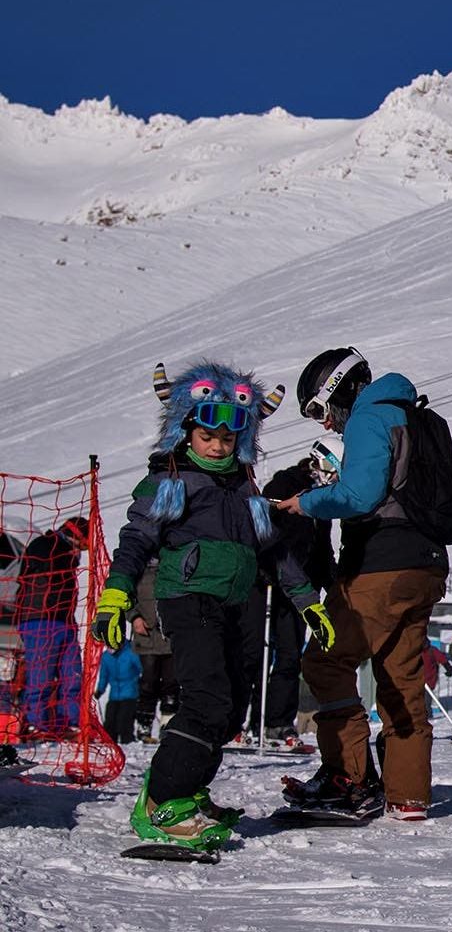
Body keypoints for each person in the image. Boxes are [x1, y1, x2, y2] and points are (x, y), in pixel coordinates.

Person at [92, 360, 330, 853]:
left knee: (234, 705)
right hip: (188, 598)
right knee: (206, 699)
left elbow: (275, 552)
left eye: (227, 438)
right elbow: (136, 541)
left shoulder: (244, 489)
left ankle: (191, 790)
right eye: (207, 436)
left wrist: (308, 603)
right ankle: (161, 801)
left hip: (233, 603)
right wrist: (116, 593)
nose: (217, 446)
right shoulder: (173, 481)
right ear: (188, 432)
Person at [274, 347, 450, 821]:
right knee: (401, 676)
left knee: (325, 660)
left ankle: (347, 779)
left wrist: (306, 503)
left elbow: (360, 494)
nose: (325, 423)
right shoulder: (420, 419)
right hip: (426, 565)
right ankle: (408, 795)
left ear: (339, 389)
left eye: (319, 409)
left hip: (380, 566)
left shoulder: (369, 419)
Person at [251, 454, 332, 748]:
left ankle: (278, 721)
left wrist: (331, 584)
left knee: (288, 656)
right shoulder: (286, 483)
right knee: (257, 653)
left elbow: (323, 548)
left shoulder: (323, 503)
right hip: (268, 581)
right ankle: (250, 720)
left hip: (301, 587)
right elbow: (261, 527)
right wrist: (264, 566)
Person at [17, 517, 89, 734]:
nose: (81, 551)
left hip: (64, 619)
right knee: (41, 676)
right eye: (82, 545)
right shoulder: (43, 544)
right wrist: (70, 555)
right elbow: (43, 563)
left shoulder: (67, 555)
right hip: (39, 618)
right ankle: (34, 724)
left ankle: (73, 723)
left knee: (72, 674)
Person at [130, 562, 176, 744]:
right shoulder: (139, 571)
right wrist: (134, 618)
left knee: (172, 683)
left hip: (170, 638)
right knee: (148, 682)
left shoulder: (173, 568)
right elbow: (128, 599)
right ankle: (144, 725)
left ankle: (168, 725)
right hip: (147, 637)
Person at [95, 642, 143, 745]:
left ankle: (128, 744)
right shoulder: (106, 656)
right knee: (110, 722)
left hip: (130, 694)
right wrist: (100, 690)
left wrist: (142, 683)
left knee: (124, 722)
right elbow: (104, 676)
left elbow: (141, 668)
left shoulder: (131, 653)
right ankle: (109, 745)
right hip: (114, 696)